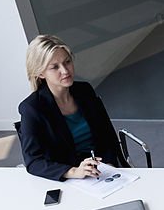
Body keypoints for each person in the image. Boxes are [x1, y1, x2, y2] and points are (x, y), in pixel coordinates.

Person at [18, 34, 126, 181]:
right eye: (55, 67)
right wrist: (73, 172)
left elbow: (108, 136)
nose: (65, 70)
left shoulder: (85, 91)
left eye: (67, 62)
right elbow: (33, 162)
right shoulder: (32, 108)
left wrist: (109, 163)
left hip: (103, 170)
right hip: (70, 177)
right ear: (40, 73)